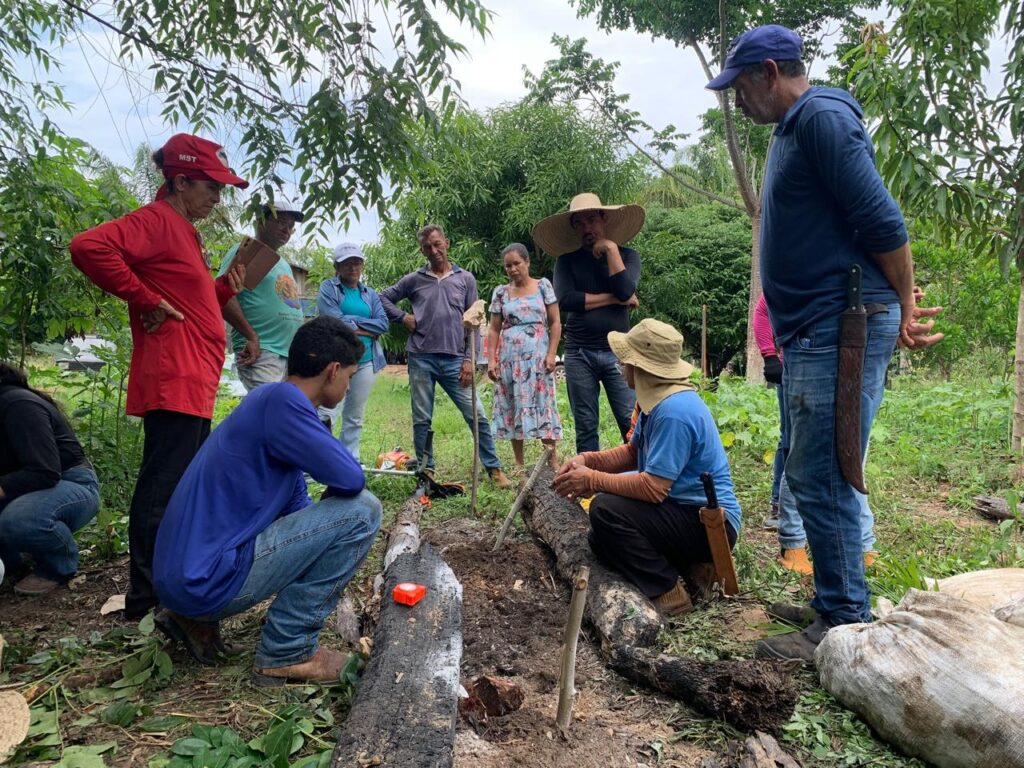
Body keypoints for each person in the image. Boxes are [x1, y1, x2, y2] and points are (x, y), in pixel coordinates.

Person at [708, 25, 917, 662]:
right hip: (814, 329)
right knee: (811, 466)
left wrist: (905, 301)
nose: (737, 103)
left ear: (770, 72)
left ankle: (843, 620)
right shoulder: (793, 129)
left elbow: (882, 220)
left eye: (740, 87)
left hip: (839, 323)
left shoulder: (821, 117)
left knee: (823, 475)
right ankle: (834, 595)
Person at [70, 133, 249, 620]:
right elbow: (88, 246)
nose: (217, 197)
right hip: (174, 377)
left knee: (183, 487)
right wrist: (143, 299)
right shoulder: (156, 220)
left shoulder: (185, 230)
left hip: (195, 378)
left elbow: (187, 303)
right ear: (181, 180)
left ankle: (171, 587)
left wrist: (218, 289)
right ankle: (144, 601)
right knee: (162, 489)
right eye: (210, 186)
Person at [152, 317, 382, 684]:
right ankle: (287, 649)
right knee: (363, 510)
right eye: (350, 376)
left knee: (347, 514)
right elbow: (352, 479)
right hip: (204, 578)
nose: (349, 385)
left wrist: (328, 553)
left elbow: (300, 515)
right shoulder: (284, 402)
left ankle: (190, 618)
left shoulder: (266, 404)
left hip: (183, 577)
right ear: (332, 370)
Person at [552, 319, 741, 617]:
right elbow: (633, 453)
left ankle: (669, 591)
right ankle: (690, 568)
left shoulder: (674, 411)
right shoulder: (656, 401)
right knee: (600, 540)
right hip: (680, 510)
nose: (620, 368)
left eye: (624, 362)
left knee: (605, 511)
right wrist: (589, 460)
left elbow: (653, 489)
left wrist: (593, 480)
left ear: (640, 368)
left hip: (707, 523)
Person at [379, 225, 510, 487]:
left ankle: (494, 469)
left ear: (447, 243)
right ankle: (427, 471)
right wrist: (403, 317)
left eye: (438, 244)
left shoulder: (465, 279)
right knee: (422, 418)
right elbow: (382, 298)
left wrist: (468, 359)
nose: (434, 250)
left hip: (455, 360)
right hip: (421, 357)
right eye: (428, 247)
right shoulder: (414, 279)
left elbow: (474, 322)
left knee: (478, 416)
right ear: (422, 250)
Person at [535, 193, 642, 454]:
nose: (587, 228)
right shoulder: (566, 261)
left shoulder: (628, 256)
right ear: (574, 227)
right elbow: (566, 300)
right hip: (579, 353)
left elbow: (625, 288)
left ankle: (638, 477)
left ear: (604, 219)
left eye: (592, 219)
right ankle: (588, 485)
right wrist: (617, 299)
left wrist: (611, 249)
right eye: (579, 223)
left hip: (619, 353)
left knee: (630, 420)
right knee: (585, 425)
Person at [0, 363, 100, 595]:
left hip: (73, 483)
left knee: (17, 521)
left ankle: (58, 565)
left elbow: (45, 471)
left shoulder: (18, 405)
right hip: (27, 490)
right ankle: (13, 563)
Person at [486, 243, 563, 476]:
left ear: (527, 262)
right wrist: (491, 360)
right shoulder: (500, 293)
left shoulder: (543, 286)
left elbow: (555, 322)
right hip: (510, 361)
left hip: (539, 360)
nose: (512, 269)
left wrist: (551, 354)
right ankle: (519, 465)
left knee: (544, 405)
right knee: (513, 407)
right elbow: (493, 329)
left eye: (517, 263)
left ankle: (552, 460)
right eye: (508, 265)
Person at [219, 200, 306, 391]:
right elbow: (223, 297)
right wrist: (251, 336)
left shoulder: (282, 262)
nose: (287, 230)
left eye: (291, 226)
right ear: (261, 221)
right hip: (262, 350)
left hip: (287, 353)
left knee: (281, 413)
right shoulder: (247, 252)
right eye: (281, 222)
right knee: (272, 412)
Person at [316, 243, 389, 462]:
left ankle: (349, 461)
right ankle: (319, 459)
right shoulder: (329, 288)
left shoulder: (370, 293)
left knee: (355, 416)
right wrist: (367, 328)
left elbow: (383, 324)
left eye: (357, 262)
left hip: (366, 361)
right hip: (336, 360)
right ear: (337, 266)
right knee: (328, 412)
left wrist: (353, 324)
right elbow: (333, 320)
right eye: (347, 262)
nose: (353, 267)